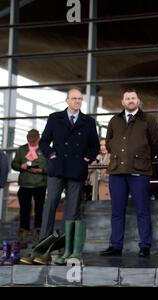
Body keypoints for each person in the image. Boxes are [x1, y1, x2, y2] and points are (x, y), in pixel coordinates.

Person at [37, 88, 100, 264]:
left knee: (72, 211)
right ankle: (43, 247)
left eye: (80, 99)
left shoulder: (88, 121)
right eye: (74, 98)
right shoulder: (54, 118)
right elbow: (43, 142)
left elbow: (94, 146)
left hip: (76, 170)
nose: (77, 101)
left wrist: (86, 159)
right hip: (57, 167)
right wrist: (51, 154)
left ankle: (68, 250)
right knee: (50, 206)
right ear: (67, 100)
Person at [100, 89, 158, 258]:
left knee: (142, 210)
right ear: (123, 102)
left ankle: (145, 245)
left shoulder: (148, 120)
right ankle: (116, 246)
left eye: (133, 98)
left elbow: (156, 144)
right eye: (127, 98)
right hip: (117, 171)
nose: (130, 100)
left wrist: (143, 157)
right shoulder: (115, 120)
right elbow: (109, 142)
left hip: (139, 172)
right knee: (117, 211)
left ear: (138, 100)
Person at [11, 129, 47, 248]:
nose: (31, 142)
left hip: (40, 185)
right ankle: (24, 236)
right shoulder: (22, 149)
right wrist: (21, 166)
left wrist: (41, 170)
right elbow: (14, 164)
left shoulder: (45, 149)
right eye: (29, 140)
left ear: (38, 139)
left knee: (39, 210)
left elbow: (51, 167)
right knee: (24, 211)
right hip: (25, 184)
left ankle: (38, 235)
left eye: (33, 141)